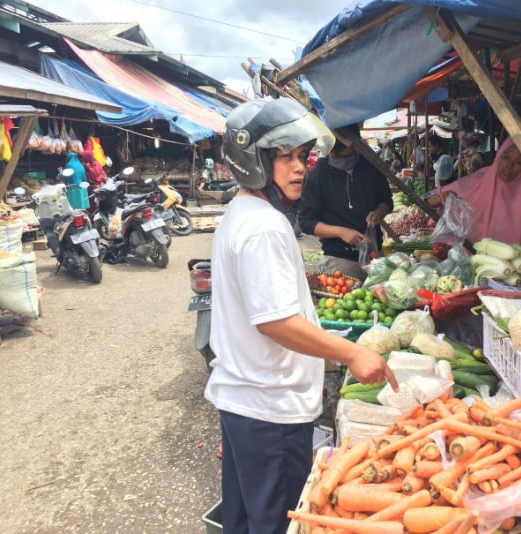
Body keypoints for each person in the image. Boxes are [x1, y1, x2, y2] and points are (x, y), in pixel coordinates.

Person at [204, 97, 398, 534]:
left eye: (302, 156)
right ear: (252, 161)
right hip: (270, 411)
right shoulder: (264, 227)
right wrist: (351, 354)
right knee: (277, 523)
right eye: (285, 157)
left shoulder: (242, 213)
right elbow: (275, 322)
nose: (299, 168)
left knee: (243, 518)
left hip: (245, 402)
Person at [297, 123, 393, 280]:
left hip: (374, 256)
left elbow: (386, 201)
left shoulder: (370, 167)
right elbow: (306, 222)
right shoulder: (318, 175)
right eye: (344, 155)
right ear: (331, 151)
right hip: (339, 261)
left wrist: (378, 213)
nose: (351, 157)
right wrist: (341, 232)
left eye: (354, 152)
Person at [425, 137, 521, 251]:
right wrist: (440, 198)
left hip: (504, 269)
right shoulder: (476, 181)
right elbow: (427, 199)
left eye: (519, 162)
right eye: (506, 157)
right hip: (462, 261)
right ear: (499, 156)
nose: (510, 165)